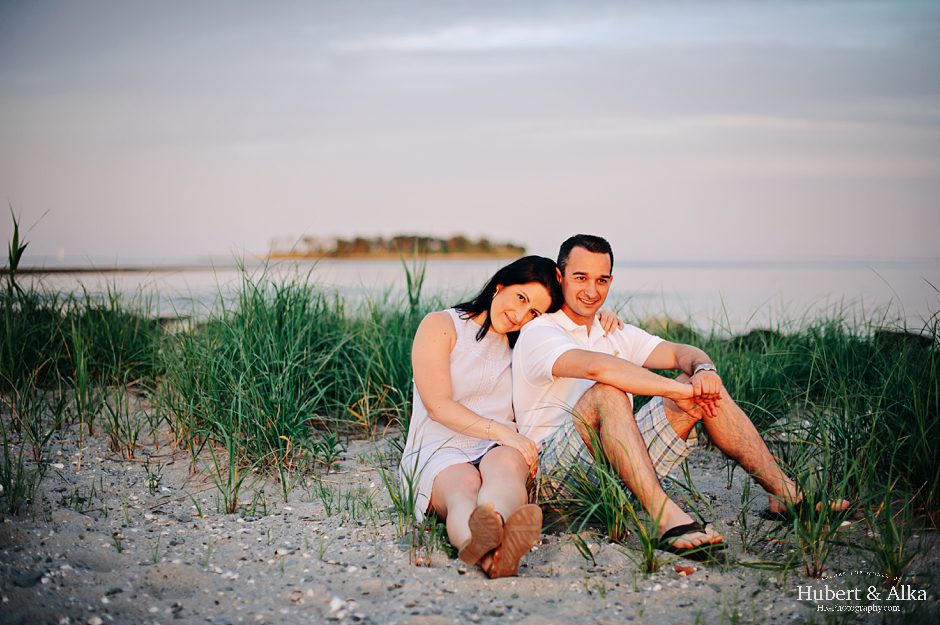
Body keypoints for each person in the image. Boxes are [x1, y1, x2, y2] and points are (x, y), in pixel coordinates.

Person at [512, 234, 848, 557]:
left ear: (610, 283)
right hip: (554, 476)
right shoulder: (540, 331)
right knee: (608, 393)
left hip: (617, 467)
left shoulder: (614, 330)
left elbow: (682, 352)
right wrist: (676, 389)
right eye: (581, 277)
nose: (591, 290)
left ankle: (785, 494)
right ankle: (665, 517)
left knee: (701, 387)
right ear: (560, 277)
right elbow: (598, 369)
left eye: (601, 280)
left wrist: (704, 372)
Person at [398, 255, 563, 578]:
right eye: (520, 298)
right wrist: (503, 433)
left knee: (505, 468)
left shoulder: (524, 345)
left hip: (496, 446)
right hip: (439, 446)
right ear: (500, 284)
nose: (519, 315)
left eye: (533, 313)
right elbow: (438, 406)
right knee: (464, 487)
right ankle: (483, 541)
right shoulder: (441, 325)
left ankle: (496, 540)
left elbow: (573, 335)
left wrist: (601, 319)